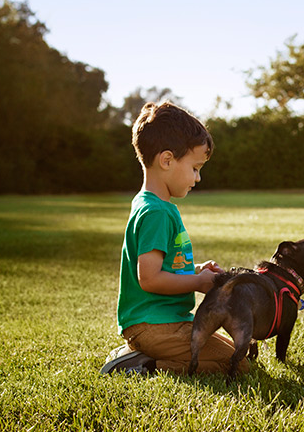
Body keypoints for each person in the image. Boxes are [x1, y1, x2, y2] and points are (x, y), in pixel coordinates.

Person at [103, 101, 250, 377]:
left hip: (168, 322)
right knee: (236, 364)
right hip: (154, 326)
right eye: (195, 168)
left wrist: (195, 270)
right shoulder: (156, 211)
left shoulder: (158, 206)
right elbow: (149, 278)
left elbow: (163, 267)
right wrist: (197, 283)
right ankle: (143, 366)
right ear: (167, 160)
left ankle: (136, 354)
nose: (198, 178)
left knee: (237, 350)